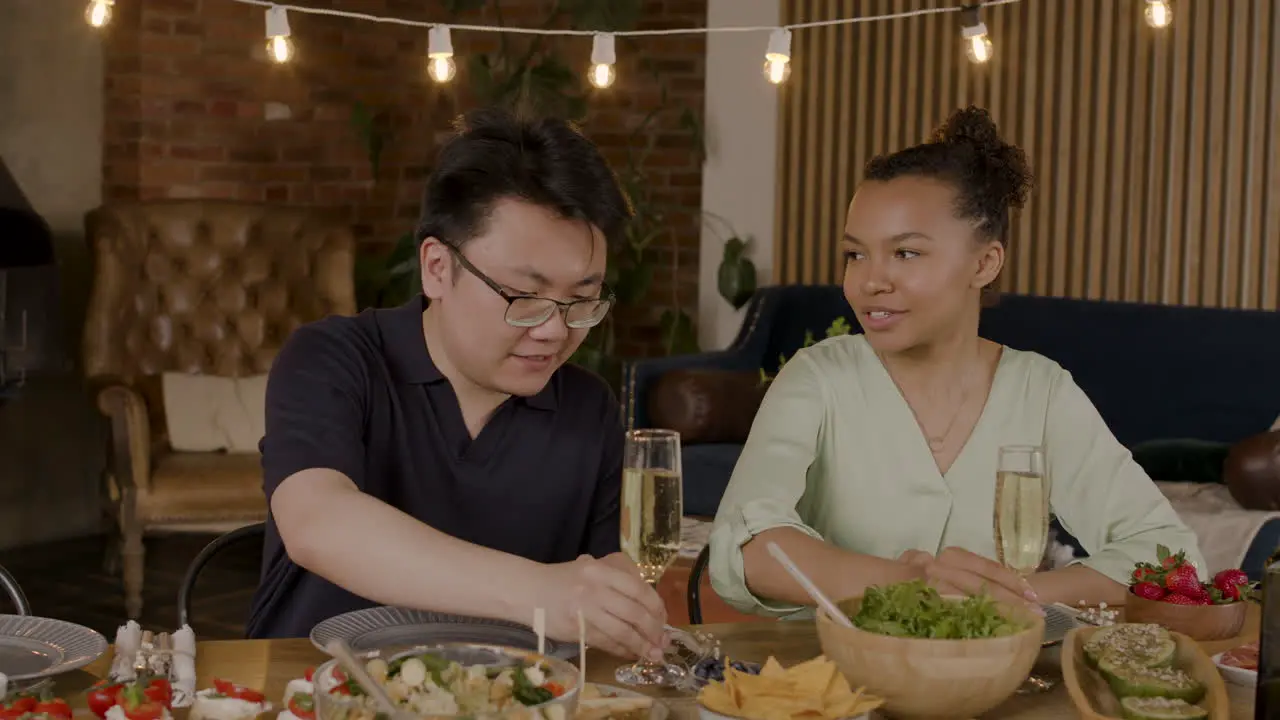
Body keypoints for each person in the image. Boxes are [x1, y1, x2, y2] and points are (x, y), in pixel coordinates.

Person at [708, 106, 1205, 618]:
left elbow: (1171, 558)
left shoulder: (1042, 393)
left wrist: (1009, 599)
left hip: (990, 684)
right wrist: (911, 581)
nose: (871, 280)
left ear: (985, 263)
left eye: (906, 253)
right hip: (830, 683)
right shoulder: (818, 378)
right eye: (855, 255)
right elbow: (746, 548)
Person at [246, 108, 669, 662]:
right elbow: (318, 521)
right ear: (437, 268)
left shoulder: (587, 409)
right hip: (311, 689)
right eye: (525, 297)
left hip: (502, 698)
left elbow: (608, 573)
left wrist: (621, 608)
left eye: (583, 300)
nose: (555, 330)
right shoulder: (335, 360)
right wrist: (542, 591)